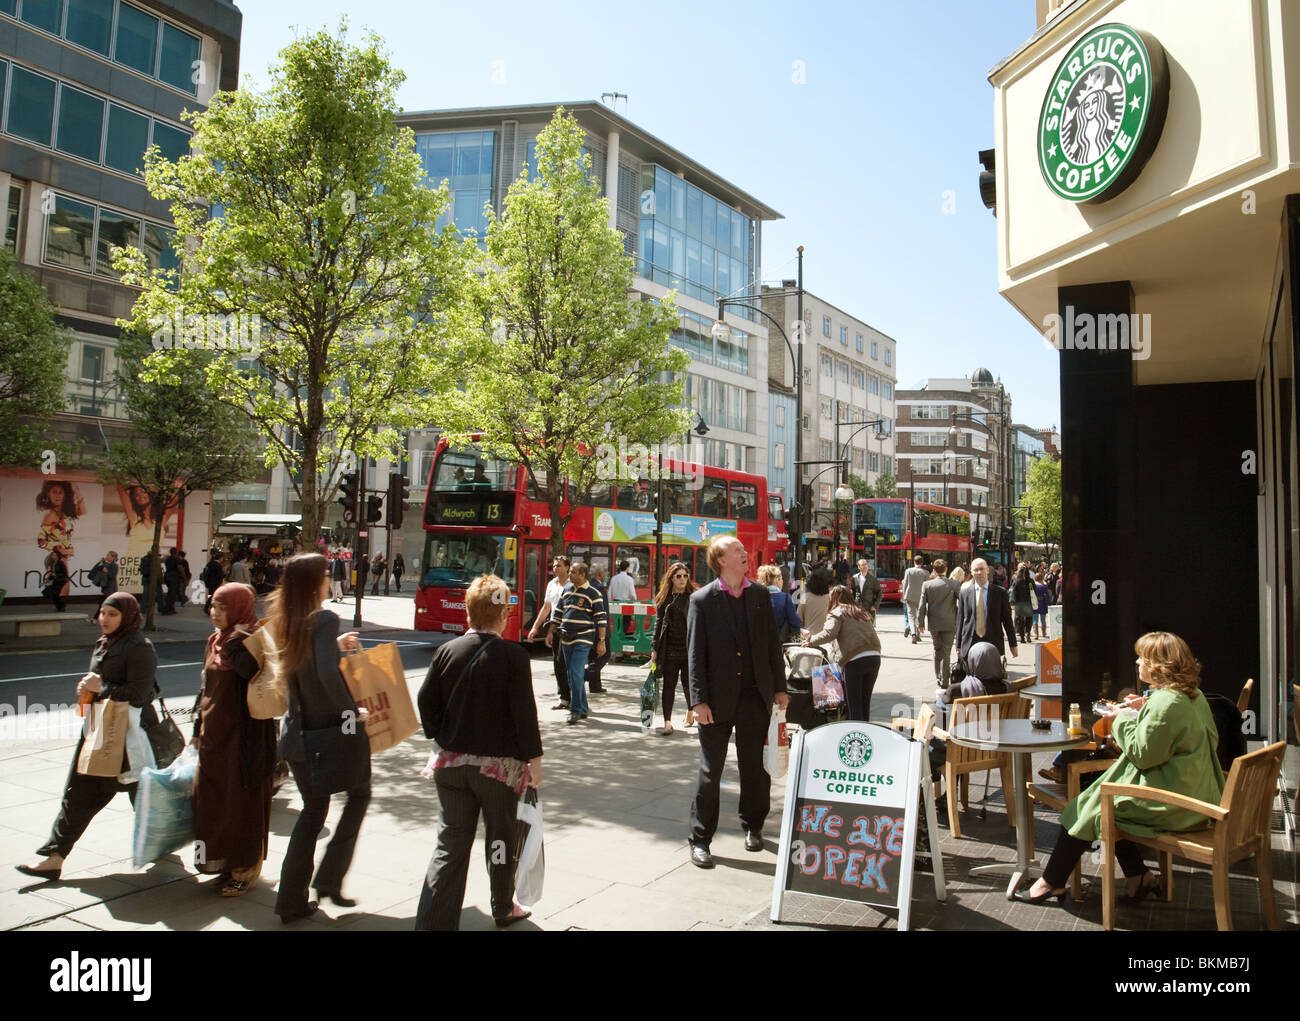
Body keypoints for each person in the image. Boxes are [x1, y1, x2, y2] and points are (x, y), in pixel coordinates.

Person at [1018, 632, 1226, 905]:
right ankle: (1138, 876)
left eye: (1142, 657)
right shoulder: (1192, 696)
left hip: (1177, 806)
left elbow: (1143, 755)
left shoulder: (1167, 702)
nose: (1137, 662)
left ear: (1158, 665)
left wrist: (1119, 720)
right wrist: (1144, 711)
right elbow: (1174, 735)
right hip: (1196, 792)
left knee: (1087, 806)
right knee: (1101, 803)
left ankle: (1051, 882)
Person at [415, 574, 543, 930]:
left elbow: (426, 701)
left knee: (450, 843)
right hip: (498, 771)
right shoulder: (513, 656)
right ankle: (502, 906)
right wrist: (534, 762)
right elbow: (524, 714)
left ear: (468, 612)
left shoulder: (447, 651)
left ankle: (433, 923)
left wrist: (442, 734)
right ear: (502, 615)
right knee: (500, 839)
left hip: (451, 765)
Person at [16, 593, 157, 882]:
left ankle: (171, 838)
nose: (104, 619)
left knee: (146, 797)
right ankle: (55, 857)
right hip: (101, 731)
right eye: (102, 613)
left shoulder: (140, 647)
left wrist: (101, 686)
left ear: (128, 616)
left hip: (130, 739)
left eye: (112, 614)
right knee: (78, 792)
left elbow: (141, 694)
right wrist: (88, 689)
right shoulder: (105, 642)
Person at [270, 554, 370, 923]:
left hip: (297, 737)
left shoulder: (288, 621)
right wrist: (351, 711)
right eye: (326, 574)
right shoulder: (324, 618)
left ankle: (291, 900)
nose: (330, 579)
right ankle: (325, 880)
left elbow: (308, 665)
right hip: (328, 735)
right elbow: (327, 673)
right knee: (357, 794)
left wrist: (335, 643)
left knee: (313, 812)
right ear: (315, 583)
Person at [687, 536, 788, 868]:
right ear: (721, 560)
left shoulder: (759, 594)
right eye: (737, 551)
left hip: (754, 697)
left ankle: (753, 826)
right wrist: (698, 702)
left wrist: (780, 688)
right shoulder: (702, 600)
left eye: (743, 550)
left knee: (755, 768)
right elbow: (695, 655)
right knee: (710, 771)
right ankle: (700, 838)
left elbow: (773, 645)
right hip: (715, 701)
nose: (745, 554)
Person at [192, 583, 277, 897]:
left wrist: (236, 643)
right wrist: (197, 728)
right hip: (214, 735)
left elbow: (249, 673)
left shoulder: (253, 641)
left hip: (244, 738)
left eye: (223, 607)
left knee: (242, 804)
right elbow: (205, 687)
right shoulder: (215, 640)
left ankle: (245, 868)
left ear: (240, 609)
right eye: (213, 606)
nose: (214, 613)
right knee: (213, 802)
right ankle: (223, 863)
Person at [804, 585, 881, 722]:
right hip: (874, 657)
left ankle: (855, 731)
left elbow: (829, 633)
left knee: (853, 705)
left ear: (832, 599)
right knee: (865, 702)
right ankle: (866, 730)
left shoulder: (837, 612)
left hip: (854, 660)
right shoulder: (860, 611)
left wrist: (810, 640)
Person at [551, 562, 606, 724]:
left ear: (583, 575)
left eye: (573, 572)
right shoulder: (567, 590)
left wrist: (601, 641)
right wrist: (550, 632)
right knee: (572, 674)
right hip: (566, 638)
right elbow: (558, 613)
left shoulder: (594, 593)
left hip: (583, 638)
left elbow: (601, 619)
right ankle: (582, 708)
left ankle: (574, 710)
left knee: (575, 673)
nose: (570, 575)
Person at [652, 562, 698, 734]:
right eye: (678, 576)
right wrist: (654, 648)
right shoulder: (664, 598)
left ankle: (690, 712)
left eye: (685, 576)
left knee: (688, 685)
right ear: (671, 578)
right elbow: (658, 624)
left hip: (689, 649)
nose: (682, 579)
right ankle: (667, 722)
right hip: (670, 649)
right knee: (668, 686)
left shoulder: (694, 597)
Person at [954, 558, 1018, 676]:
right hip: (970, 641)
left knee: (991, 677)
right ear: (971, 572)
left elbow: (1007, 620)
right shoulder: (964, 593)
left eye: (982, 569)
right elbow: (961, 620)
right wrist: (958, 645)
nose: (979, 573)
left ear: (987, 570)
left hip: (992, 641)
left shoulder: (1000, 592)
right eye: (976, 570)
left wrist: (1013, 644)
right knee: (970, 678)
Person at [527, 555, 572, 711]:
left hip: (570, 629)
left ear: (567, 567)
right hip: (555, 628)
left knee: (570, 665)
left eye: (559, 565)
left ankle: (574, 698)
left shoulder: (573, 584)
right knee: (558, 664)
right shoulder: (551, 584)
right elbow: (546, 608)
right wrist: (535, 627)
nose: (555, 568)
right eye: (554, 566)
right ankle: (565, 698)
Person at [917, 558, 959, 688]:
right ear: (946, 569)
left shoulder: (927, 585)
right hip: (949, 622)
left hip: (934, 623)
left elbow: (921, 606)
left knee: (937, 649)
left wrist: (920, 623)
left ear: (934, 571)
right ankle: (945, 680)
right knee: (946, 652)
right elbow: (962, 602)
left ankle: (938, 676)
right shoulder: (954, 584)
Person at [758, 564, 801, 646]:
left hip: (760, 642)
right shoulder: (785, 598)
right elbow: (795, 622)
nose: (783, 581)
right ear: (777, 580)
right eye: (782, 579)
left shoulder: (757, 597)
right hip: (779, 643)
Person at [585, 564, 611, 692]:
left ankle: (595, 686)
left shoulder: (589, 586)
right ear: (600, 574)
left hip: (589, 627)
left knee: (593, 656)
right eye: (604, 572)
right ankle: (584, 675)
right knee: (605, 655)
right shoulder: (599, 588)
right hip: (599, 628)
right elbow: (603, 611)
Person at [798, 566, 833, 638]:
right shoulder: (832, 598)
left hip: (809, 637)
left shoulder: (805, 597)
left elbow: (799, 618)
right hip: (827, 637)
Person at [901, 554, 929, 643]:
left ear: (914, 562)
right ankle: (918, 635)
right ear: (922, 562)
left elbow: (905, 584)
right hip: (921, 597)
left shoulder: (908, 571)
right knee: (919, 616)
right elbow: (927, 586)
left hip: (910, 596)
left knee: (911, 616)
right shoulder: (926, 573)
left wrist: (903, 595)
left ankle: (913, 634)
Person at [608, 559, 637, 640]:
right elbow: (632, 595)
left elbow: (609, 593)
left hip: (616, 603)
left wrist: (610, 603)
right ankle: (621, 638)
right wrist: (634, 602)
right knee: (626, 623)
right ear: (627, 568)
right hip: (626, 604)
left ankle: (616, 639)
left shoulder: (614, 578)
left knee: (617, 623)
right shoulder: (629, 579)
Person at [88, 551, 119, 622]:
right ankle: (96, 619)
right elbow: (93, 571)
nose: (107, 557)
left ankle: (95, 619)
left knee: (103, 604)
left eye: (108, 555)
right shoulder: (105, 564)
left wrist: (106, 572)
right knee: (106, 605)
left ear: (113, 557)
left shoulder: (115, 566)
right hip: (105, 587)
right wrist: (99, 562)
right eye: (107, 555)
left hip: (111, 588)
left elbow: (112, 577)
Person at [1011, 563, 1035, 645]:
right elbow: (1034, 590)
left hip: (1019, 603)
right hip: (1028, 602)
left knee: (1020, 621)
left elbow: (1014, 592)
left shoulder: (1017, 581)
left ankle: (1022, 637)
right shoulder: (1030, 581)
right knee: (1029, 619)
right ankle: (1028, 632)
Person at [1033, 570, 1051, 640]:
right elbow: (1047, 595)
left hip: (1035, 603)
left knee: (1035, 620)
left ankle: (1036, 634)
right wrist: (1049, 603)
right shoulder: (1044, 586)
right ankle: (1044, 633)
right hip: (1042, 603)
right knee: (1043, 619)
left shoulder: (1033, 586)